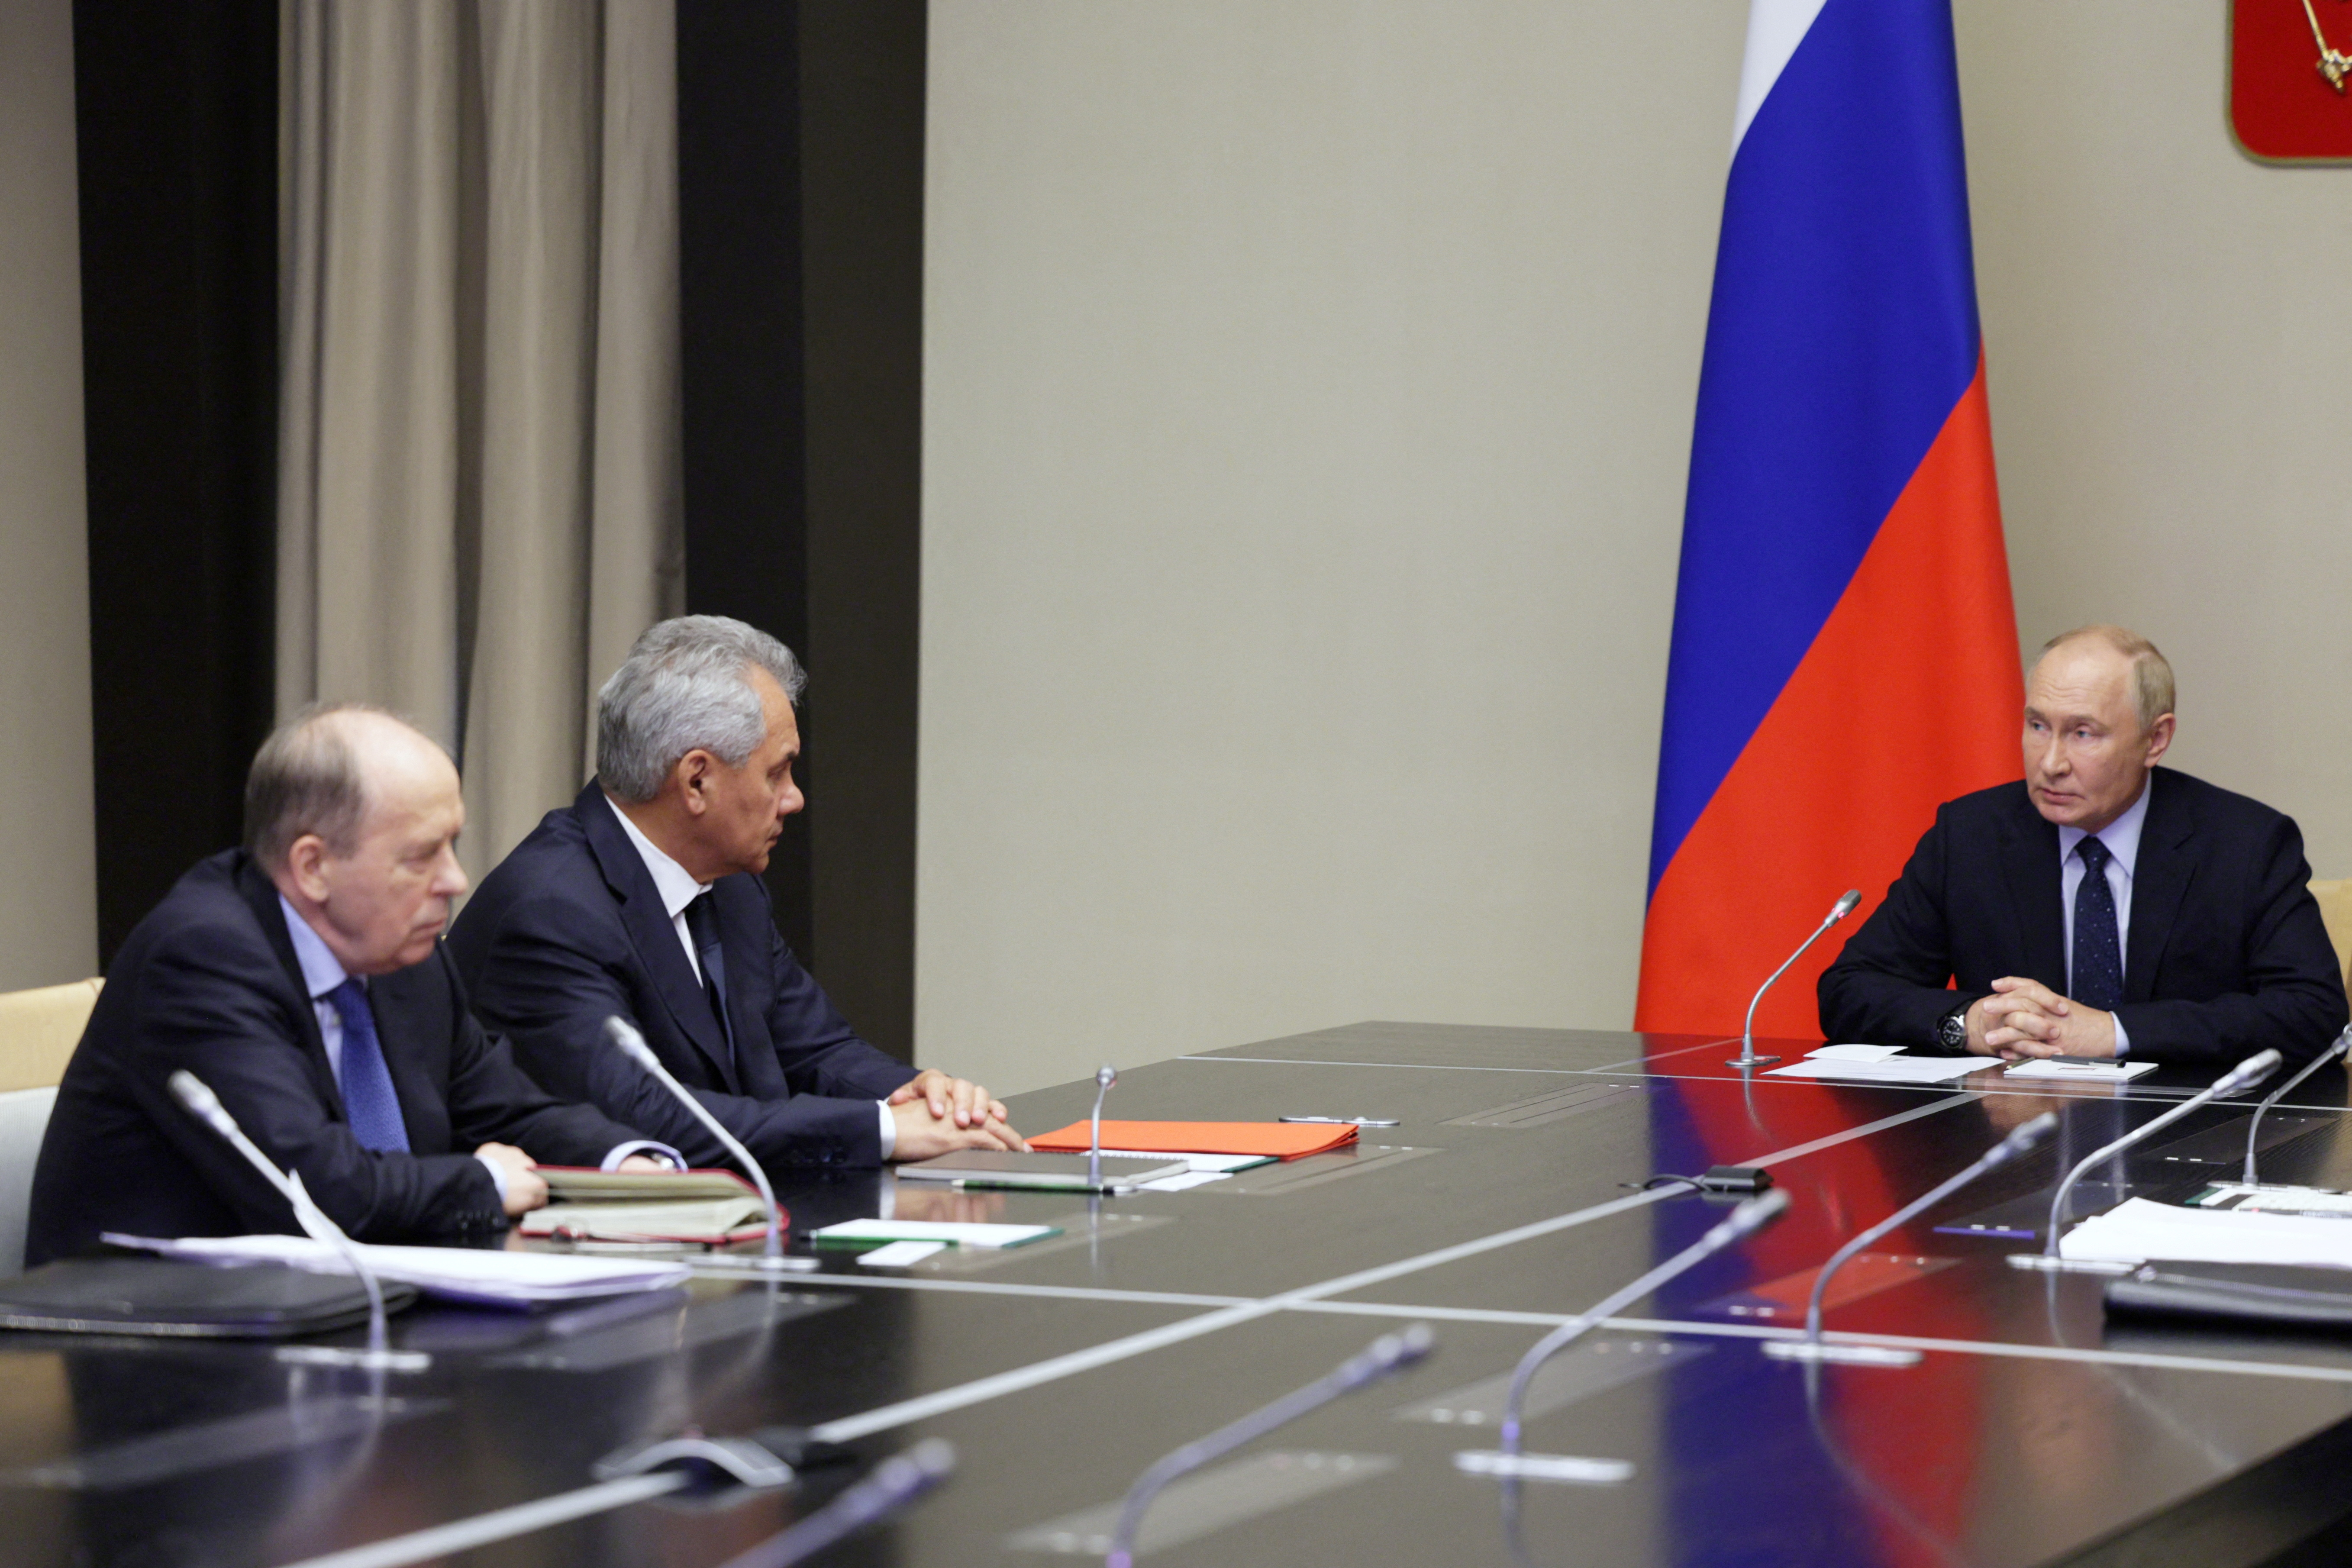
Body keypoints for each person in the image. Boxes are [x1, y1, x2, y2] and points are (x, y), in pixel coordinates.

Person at [26, 707, 672, 1267]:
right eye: (421, 856)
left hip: (336, 1309)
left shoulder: (398, 948)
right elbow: (316, 1187)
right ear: (313, 867)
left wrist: (627, 1167)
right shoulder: (201, 958)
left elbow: (504, 1109)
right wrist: (479, 1181)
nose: (454, 879)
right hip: (153, 1348)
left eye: (452, 846)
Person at [446, 616, 1025, 1173]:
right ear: (697, 779)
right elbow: (643, 1115)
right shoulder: (551, 910)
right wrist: (887, 1129)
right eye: (778, 772)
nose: (794, 798)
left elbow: (815, 1047)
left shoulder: (730, 885)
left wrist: (911, 1095)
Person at [1818, 624, 2348, 1068]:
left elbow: (2313, 1014)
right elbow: (1849, 990)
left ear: (2155, 740)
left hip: (2189, 1132)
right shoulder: (1971, 834)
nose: (2051, 762)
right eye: (2037, 726)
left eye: (2083, 733)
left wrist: (2114, 1032)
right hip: (2013, 1142)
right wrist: (1970, 1023)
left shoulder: (2245, 842)